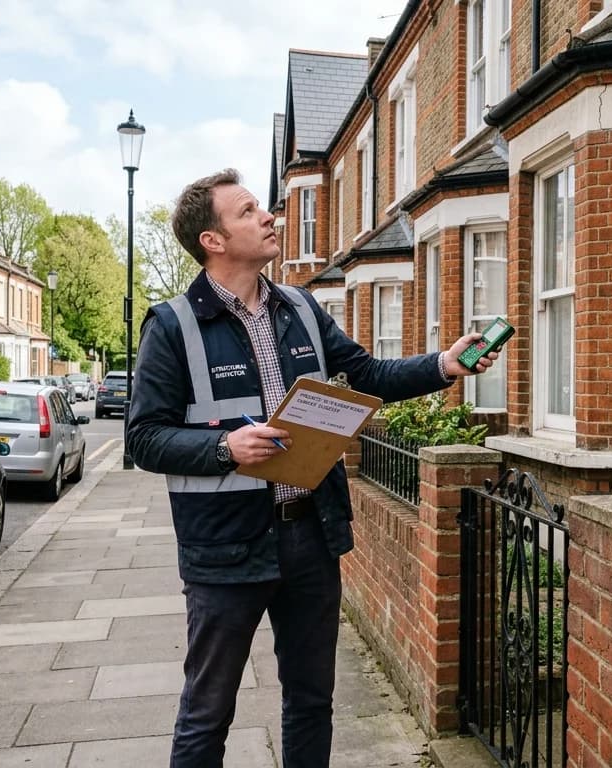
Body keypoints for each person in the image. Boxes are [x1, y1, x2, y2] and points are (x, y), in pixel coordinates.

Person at [125, 168, 497, 768]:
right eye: (248, 212)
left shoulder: (298, 306)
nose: (269, 217)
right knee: (208, 710)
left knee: (311, 700)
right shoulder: (172, 325)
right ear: (212, 241)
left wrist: (443, 366)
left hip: (310, 536)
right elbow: (143, 437)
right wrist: (226, 448)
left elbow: (366, 375)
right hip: (225, 549)